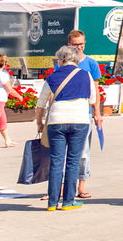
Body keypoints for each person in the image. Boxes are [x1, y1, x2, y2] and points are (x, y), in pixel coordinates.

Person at [37, 45, 101, 211]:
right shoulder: (86, 75)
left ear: (62, 59)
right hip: (79, 121)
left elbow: (40, 104)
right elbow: (93, 100)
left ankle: (52, 203)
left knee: (56, 162)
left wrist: (39, 122)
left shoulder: (52, 77)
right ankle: (68, 202)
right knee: (73, 162)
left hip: (56, 121)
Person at [65, 30, 103, 201]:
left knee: (83, 152)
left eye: (82, 44)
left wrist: (97, 112)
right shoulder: (62, 63)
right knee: (62, 151)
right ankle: (60, 187)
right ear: (69, 45)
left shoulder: (91, 63)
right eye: (75, 44)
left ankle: (81, 185)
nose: (79, 47)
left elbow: (96, 89)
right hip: (65, 112)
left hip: (84, 113)